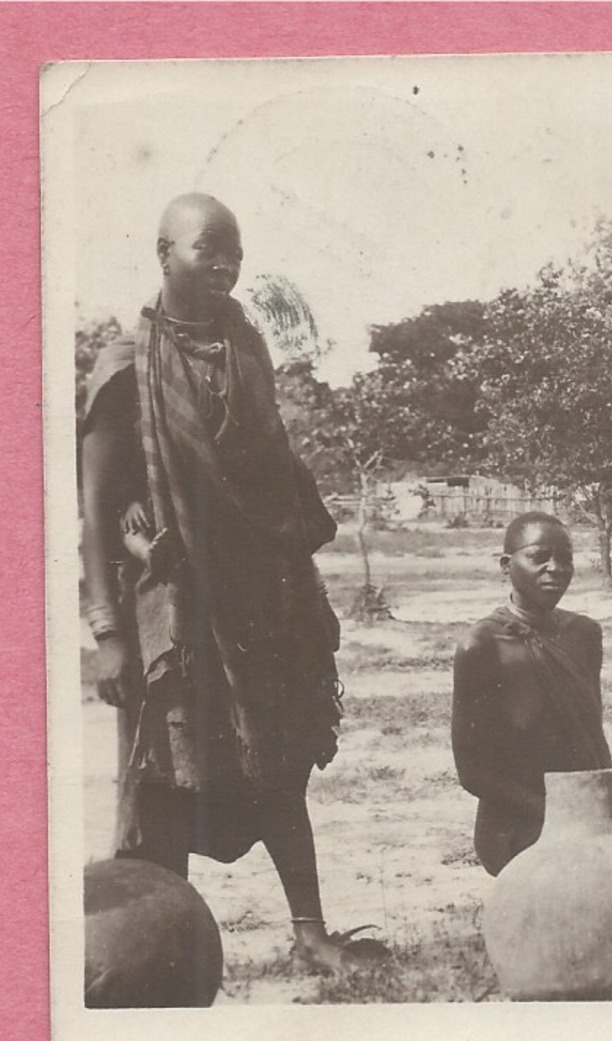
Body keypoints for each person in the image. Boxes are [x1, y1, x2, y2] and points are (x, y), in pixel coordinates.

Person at [80, 193, 380, 973]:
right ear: (162, 252)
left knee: (279, 766)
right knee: (172, 780)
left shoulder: (247, 350)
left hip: (261, 601)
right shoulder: (122, 369)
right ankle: (164, 948)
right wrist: (109, 635)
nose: (223, 264)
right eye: (206, 247)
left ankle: (310, 931)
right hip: (172, 609)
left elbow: (274, 476)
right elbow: (94, 515)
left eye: (235, 252)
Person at [451, 512, 612, 900]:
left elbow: (590, 737)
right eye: (539, 556)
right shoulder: (481, 646)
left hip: (596, 816)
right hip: (520, 827)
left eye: (565, 558)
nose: (555, 568)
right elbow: (474, 773)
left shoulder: (584, 634)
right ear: (507, 565)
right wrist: (566, 815)